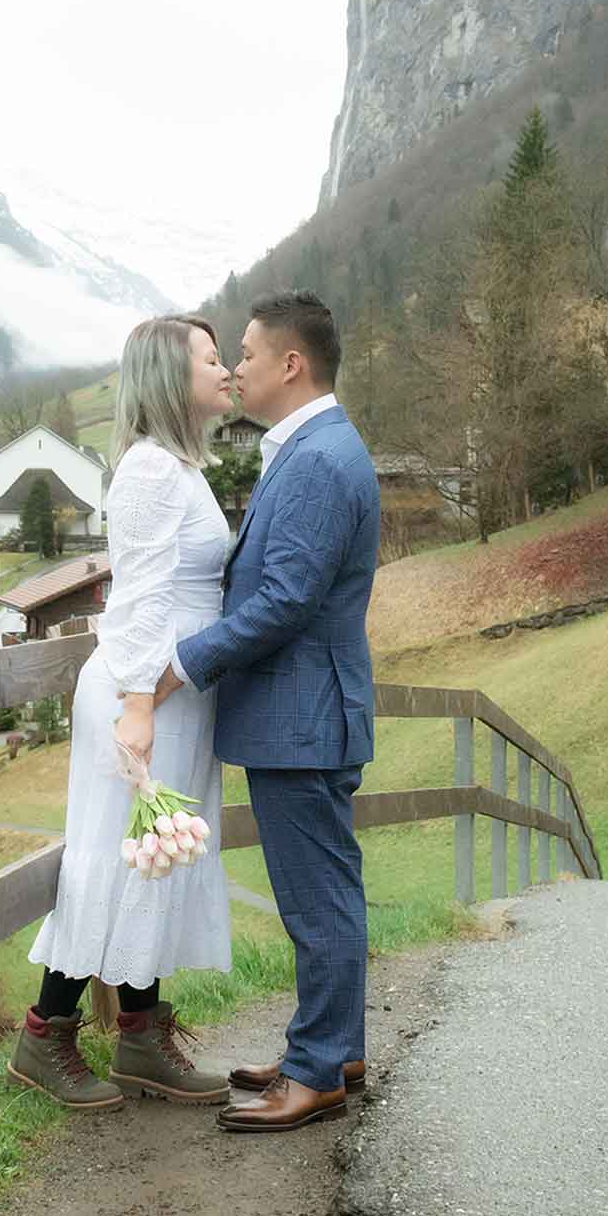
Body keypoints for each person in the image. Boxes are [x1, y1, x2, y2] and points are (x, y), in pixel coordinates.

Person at [156, 290, 379, 1135]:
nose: (236, 367)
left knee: (315, 902)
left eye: (246, 353)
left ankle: (317, 1073)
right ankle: (333, 1048)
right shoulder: (314, 447)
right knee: (329, 890)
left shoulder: (319, 460)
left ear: (291, 364)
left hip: (303, 717)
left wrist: (185, 660)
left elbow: (285, 599)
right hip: (308, 712)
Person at [7, 315, 236, 1110]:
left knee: (157, 854)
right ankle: (45, 1035)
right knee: (113, 855)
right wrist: (139, 708)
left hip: (176, 697)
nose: (226, 368)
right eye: (211, 359)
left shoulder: (181, 467)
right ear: (172, 377)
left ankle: (140, 1035)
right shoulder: (148, 471)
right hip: (144, 699)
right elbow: (137, 600)